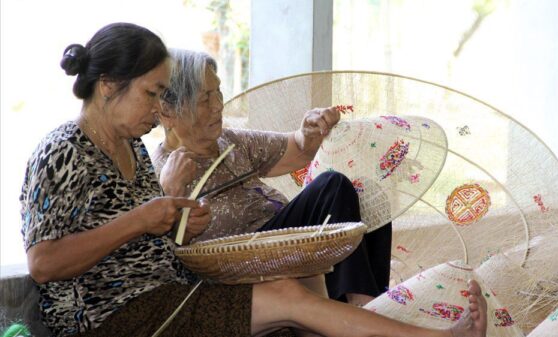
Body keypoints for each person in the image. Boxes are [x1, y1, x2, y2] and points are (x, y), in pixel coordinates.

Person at [21, 22, 487, 337]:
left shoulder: (132, 151)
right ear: (107, 85)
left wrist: (176, 222)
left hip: (166, 295)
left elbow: (152, 234)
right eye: (151, 94)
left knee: (290, 304)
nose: (156, 108)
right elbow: (43, 263)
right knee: (287, 298)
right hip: (112, 317)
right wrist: (147, 217)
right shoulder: (63, 151)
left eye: (163, 94)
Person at [153, 48, 392, 306]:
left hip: (281, 239)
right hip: (245, 257)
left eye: (218, 92)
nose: (218, 105)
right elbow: (163, 248)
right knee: (331, 186)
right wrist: (171, 189)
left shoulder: (230, 141)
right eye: (204, 99)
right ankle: (360, 307)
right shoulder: (163, 169)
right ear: (168, 111)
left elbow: (298, 150)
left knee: (368, 194)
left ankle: (368, 303)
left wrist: (309, 130)